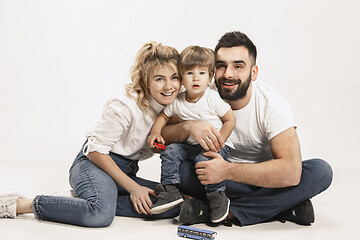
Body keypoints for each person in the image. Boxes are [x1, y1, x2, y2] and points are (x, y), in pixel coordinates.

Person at [0, 42, 182, 227]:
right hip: (93, 164)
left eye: (174, 77)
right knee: (100, 215)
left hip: (124, 171)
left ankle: (87, 200)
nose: (168, 86)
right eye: (159, 79)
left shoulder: (172, 108)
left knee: (173, 203)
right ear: (145, 80)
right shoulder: (125, 106)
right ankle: (18, 204)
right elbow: (95, 151)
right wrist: (133, 188)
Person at [161, 31, 333, 226]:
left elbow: (291, 171)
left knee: (321, 171)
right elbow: (164, 136)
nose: (228, 74)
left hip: (265, 179)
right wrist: (189, 127)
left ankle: (224, 211)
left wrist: (226, 170)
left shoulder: (271, 105)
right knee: (183, 171)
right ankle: (284, 206)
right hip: (217, 183)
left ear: (254, 72)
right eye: (221, 66)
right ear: (212, 70)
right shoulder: (201, 92)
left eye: (238, 66)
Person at [147, 46, 236, 223]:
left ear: (210, 77)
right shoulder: (178, 100)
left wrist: (220, 142)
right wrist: (155, 132)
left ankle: (217, 195)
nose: (196, 78)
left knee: (203, 161)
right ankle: (170, 191)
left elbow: (230, 120)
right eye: (189, 73)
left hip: (214, 146)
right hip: (190, 146)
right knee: (170, 150)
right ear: (181, 78)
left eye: (202, 73)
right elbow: (163, 116)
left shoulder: (211, 98)